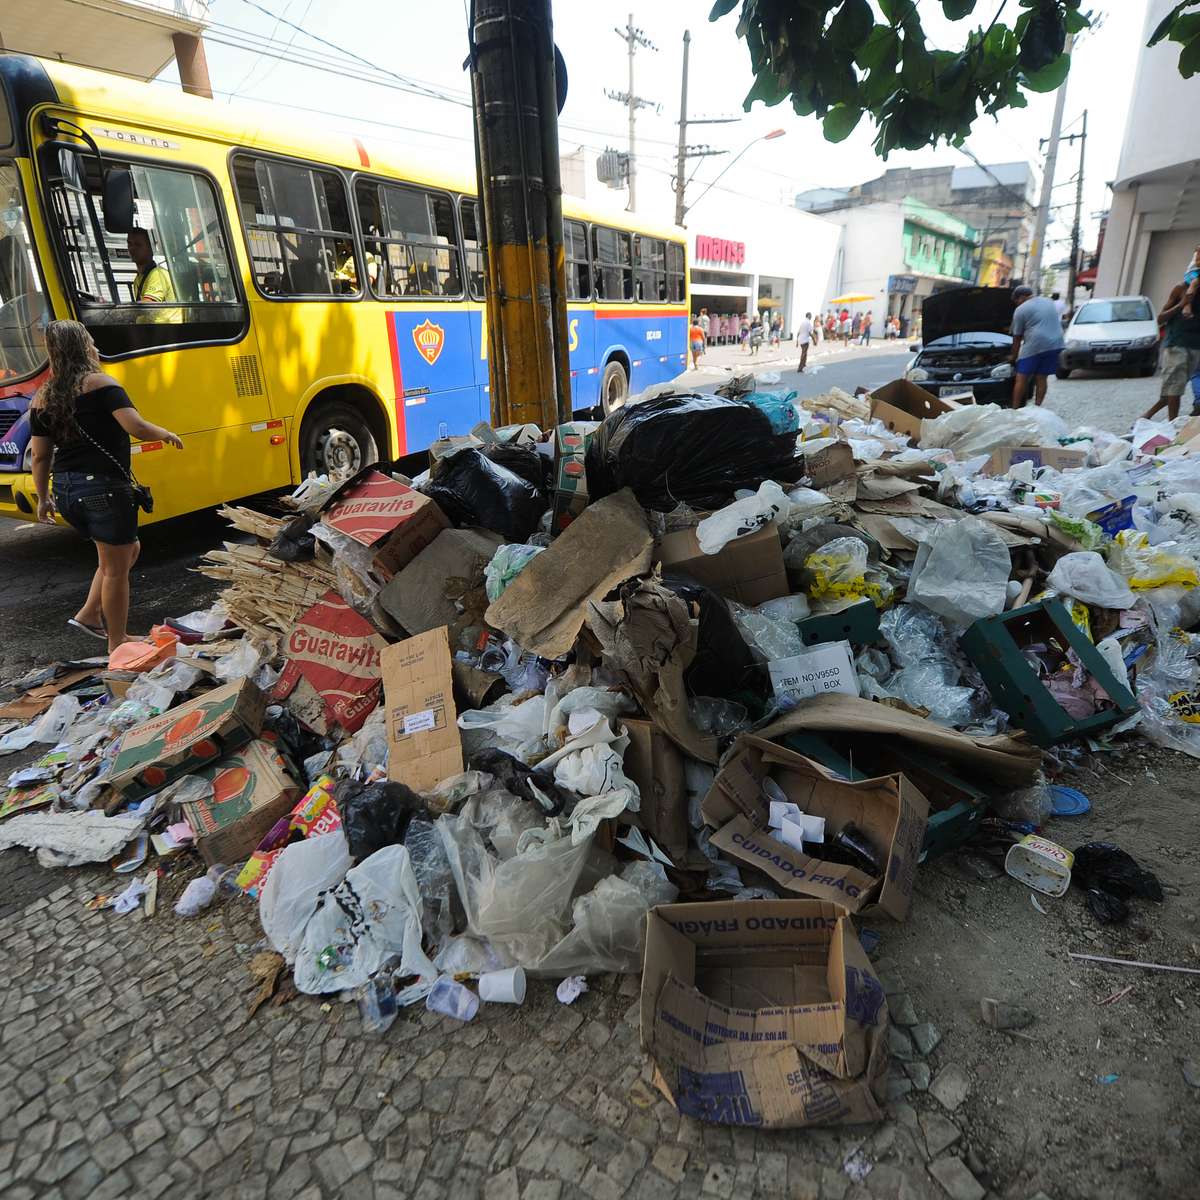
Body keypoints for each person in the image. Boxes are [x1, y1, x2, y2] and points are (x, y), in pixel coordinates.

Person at [28, 320, 183, 655]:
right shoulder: (101, 384)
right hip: (102, 490)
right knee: (115, 569)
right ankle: (117, 641)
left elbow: (40, 457)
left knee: (128, 551)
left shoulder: (42, 396)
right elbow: (136, 426)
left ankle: (88, 613)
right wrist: (166, 433)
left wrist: (43, 498)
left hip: (67, 490)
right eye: (91, 342)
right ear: (83, 347)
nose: (96, 348)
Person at [1141, 277, 1200, 421]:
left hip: (1196, 347)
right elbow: (1160, 318)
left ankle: (1146, 416)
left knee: (1173, 389)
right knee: (1174, 388)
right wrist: (1181, 304)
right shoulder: (1181, 289)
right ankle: (1172, 424)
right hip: (1177, 344)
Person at [1010, 285, 1065, 408]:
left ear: (1022, 297)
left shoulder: (1021, 309)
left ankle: (1014, 410)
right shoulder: (1049, 301)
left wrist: (1013, 358)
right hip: (1056, 343)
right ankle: (1037, 408)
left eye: (1016, 301)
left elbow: (1017, 338)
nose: (1017, 304)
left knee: (1021, 378)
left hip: (1036, 344)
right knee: (1041, 377)